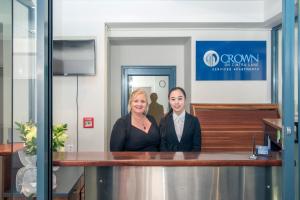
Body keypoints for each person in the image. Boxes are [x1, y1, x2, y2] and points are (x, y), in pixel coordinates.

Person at [160, 87, 201, 151]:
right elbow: (162, 145)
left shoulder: (194, 121)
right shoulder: (164, 121)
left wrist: (190, 160)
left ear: (185, 99)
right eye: (173, 99)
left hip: (189, 160)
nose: (176, 102)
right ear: (169, 101)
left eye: (180, 99)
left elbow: (196, 146)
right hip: (169, 159)